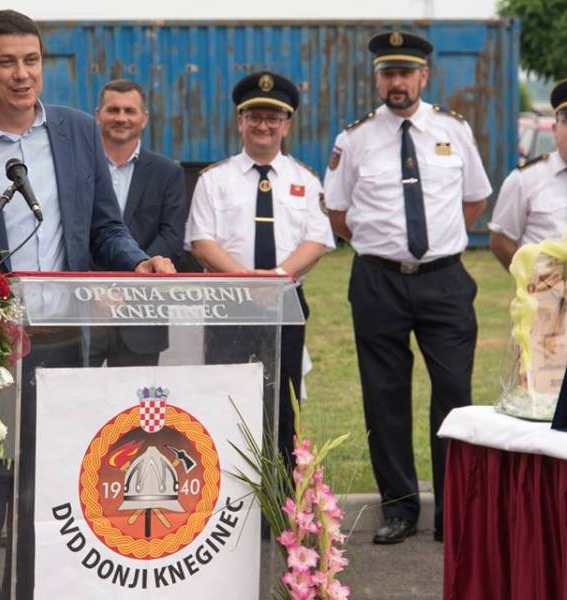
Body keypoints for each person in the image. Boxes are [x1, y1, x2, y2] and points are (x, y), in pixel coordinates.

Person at [0, 9, 174, 597]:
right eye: (6, 62)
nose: (22, 74)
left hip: (65, 352)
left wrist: (136, 262)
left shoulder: (78, 132)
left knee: (53, 506)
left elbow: (105, 227)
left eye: (31, 60)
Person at [322, 32, 492, 545]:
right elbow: (337, 212)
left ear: (424, 76)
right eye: (388, 73)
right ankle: (398, 508)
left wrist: (435, 243)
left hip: (444, 281)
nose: (397, 82)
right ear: (378, 79)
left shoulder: (454, 130)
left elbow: (474, 200)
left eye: (406, 73)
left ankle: (454, 510)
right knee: (384, 395)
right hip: (378, 281)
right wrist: (385, 246)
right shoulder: (354, 139)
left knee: (455, 396)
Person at [185, 70, 334, 471]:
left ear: (286, 124)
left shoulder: (306, 180)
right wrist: (249, 283)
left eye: (272, 118)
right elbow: (201, 242)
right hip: (229, 304)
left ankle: (281, 489)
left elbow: (316, 242)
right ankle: (226, 487)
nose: (263, 125)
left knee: (284, 401)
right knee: (225, 396)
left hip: (285, 302)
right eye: (254, 117)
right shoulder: (214, 180)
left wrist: (275, 280)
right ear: (240, 121)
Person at [90, 78, 187, 366]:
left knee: (135, 397)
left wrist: (128, 286)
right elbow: (71, 231)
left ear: (144, 118)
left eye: (130, 111)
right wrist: (92, 288)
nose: (121, 118)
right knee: (76, 394)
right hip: (87, 310)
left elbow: (171, 238)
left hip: (143, 315)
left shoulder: (168, 173)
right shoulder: (78, 168)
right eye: (113, 110)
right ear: (98, 115)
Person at [490, 79, 567, 269]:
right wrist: (531, 279)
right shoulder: (524, 179)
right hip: (546, 287)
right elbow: (501, 241)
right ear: (555, 129)